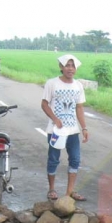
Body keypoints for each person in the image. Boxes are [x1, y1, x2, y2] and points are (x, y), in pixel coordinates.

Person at [41, 54, 89, 202]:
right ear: (61, 67)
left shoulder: (78, 86)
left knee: (75, 159)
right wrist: (55, 119)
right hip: (56, 130)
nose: (70, 68)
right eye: (67, 65)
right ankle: (51, 189)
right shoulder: (52, 83)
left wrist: (84, 128)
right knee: (54, 159)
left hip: (73, 131)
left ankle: (69, 193)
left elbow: (79, 108)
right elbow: (44, 104)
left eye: (73, 66)